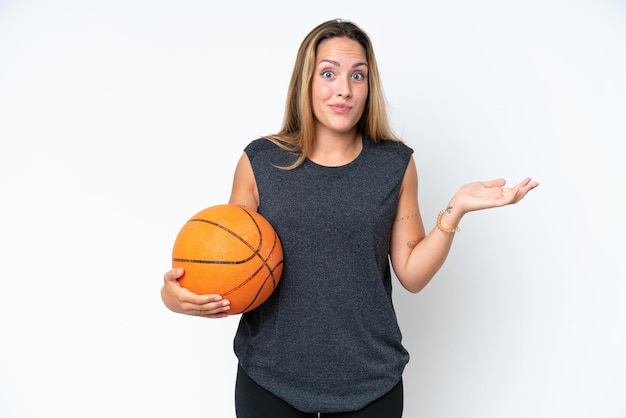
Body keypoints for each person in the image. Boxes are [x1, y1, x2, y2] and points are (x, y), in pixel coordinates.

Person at [161, 18, 539, 417]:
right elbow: (227, 264)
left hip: (371, 381)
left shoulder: (395, 165)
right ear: (305, 81)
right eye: (329, 73)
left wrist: (455, 208)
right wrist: (174, 296)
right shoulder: (260, 161)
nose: (344, 89)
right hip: (269, 379)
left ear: (368, 86)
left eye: (358, 76)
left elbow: (411, 274)